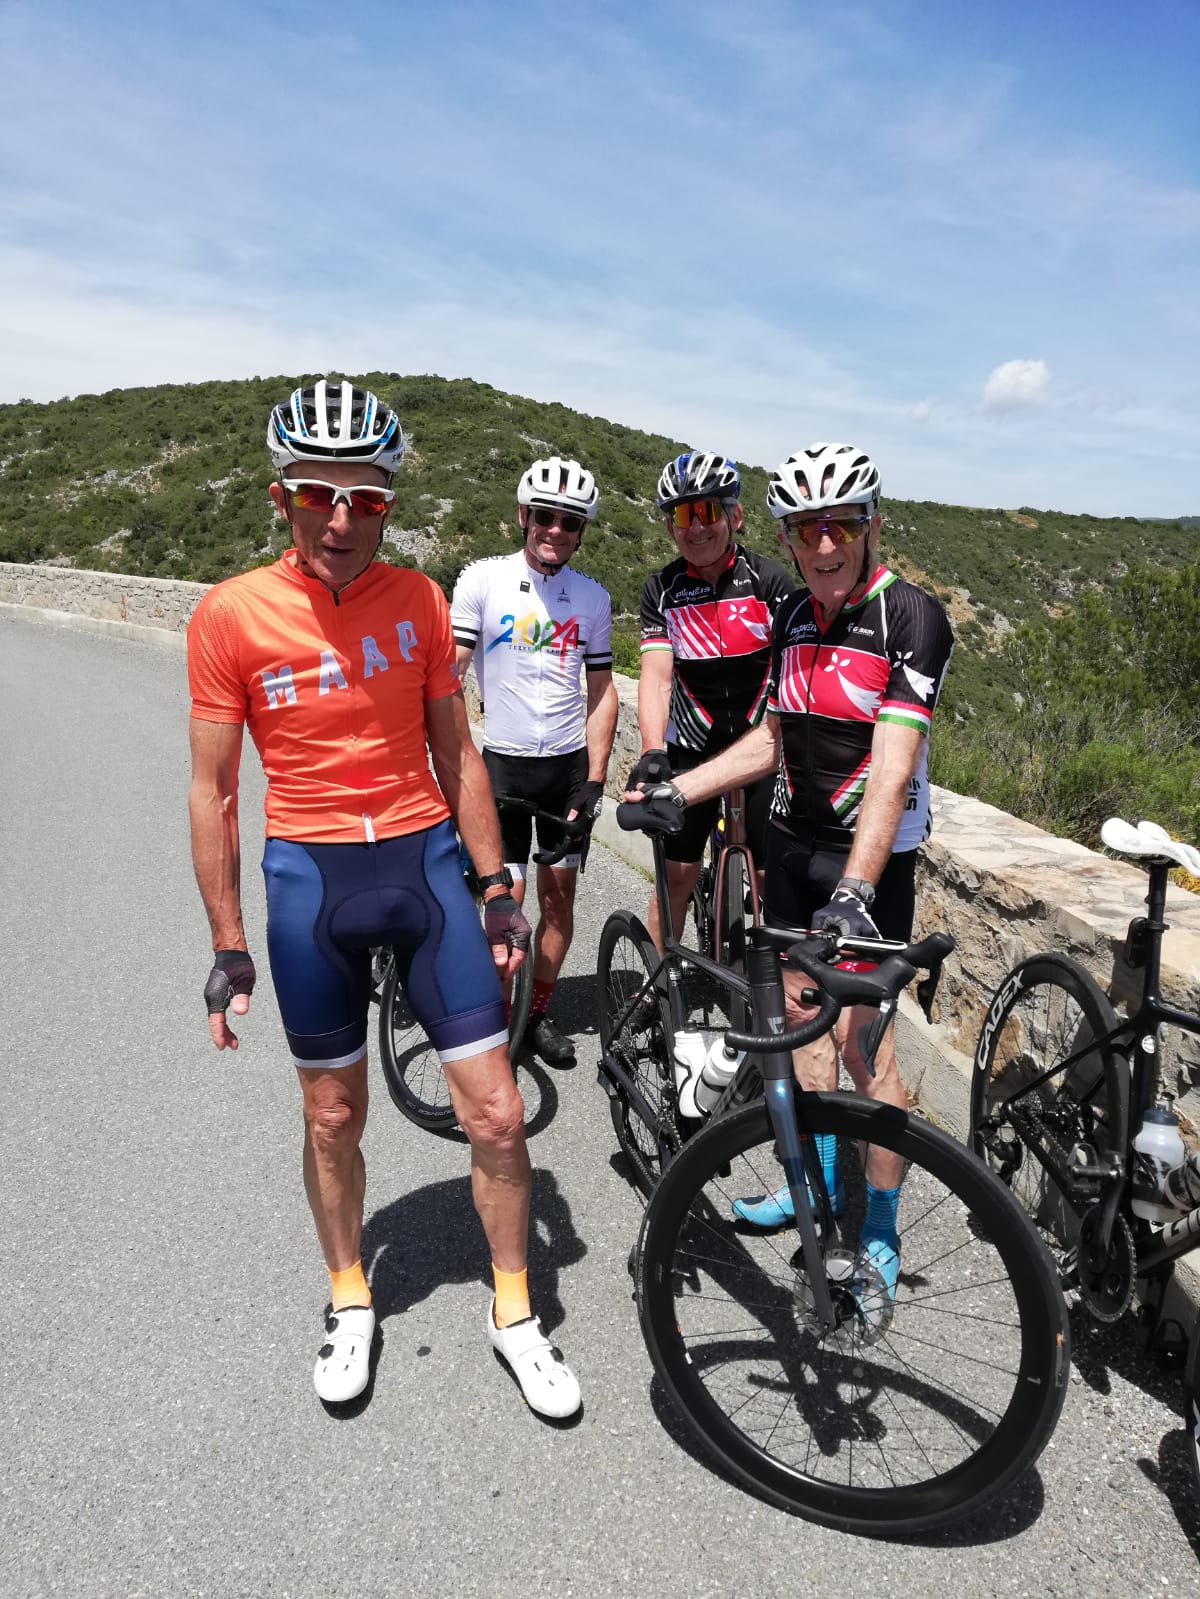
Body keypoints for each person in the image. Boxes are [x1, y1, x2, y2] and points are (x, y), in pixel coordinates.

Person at [186, 379, 581, 1417]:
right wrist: (228, 942)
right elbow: (214, 791)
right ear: (282, 497)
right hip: (310, 879)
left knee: (499, 1114)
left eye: (365, 499)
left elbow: (458, 754)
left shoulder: (419, 602)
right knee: (332, 1114)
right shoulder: (230, 615)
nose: (341, 519)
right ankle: (350, 1293)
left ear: (388, 505)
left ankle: (514, 1310)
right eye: (319, 495)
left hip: (425, 868)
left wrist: (496, 887)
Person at [628, 442, 953, 1309]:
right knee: (803, 1031)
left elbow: (891, 766)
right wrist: (679, 788)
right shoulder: (796, 620)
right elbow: (770, 739)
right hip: (790, 846)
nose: (824, 544)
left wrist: (857, 886)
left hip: (867, 864)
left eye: (840, 525)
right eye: (807, 529)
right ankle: (809, 1186)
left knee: (866, 1049)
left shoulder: (910, 616)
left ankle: (879, 1226)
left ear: (872, 524)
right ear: (786, 537)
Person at [451, 458, 617, 1069]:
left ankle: (536, 1015)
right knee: (508, 900)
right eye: (545, 516)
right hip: (503, 766)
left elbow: (602, 691)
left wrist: (595, 779)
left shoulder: (593, 598)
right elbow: (450, 676)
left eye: (570, 522)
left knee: (558, 900)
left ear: (581, 531)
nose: (556, 530)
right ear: (524, 516)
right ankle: (498, 1021)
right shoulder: (483, 580)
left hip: (566, 772)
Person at [631, 451, 794, 949]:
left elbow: (790, 672)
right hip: (692, 751)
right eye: (683, 515)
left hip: (760, 750)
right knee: (676, 876)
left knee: (768, 879)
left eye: (707, 511)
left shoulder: (769, 582)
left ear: (735, 516)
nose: (696, 527)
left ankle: (771, 985)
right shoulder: (662, 589)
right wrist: (652, 750)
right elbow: (656, 677)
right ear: (670, 527)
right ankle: (657, 982)